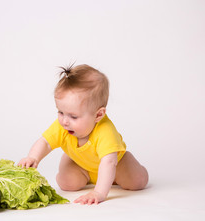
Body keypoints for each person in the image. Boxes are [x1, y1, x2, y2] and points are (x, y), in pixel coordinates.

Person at [18, 64, 149, 205]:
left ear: (98, 115)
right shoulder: (62, 126)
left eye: (73, 117)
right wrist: (33, 157)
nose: (64, 121)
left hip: (116, 166)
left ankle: (118, 177)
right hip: (81, 165)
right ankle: (75, 166)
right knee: (67, 184)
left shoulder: (105, 131)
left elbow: (109, 162)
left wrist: (98, 192)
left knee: (137, 182)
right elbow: (45, 142)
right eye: (60, 112)